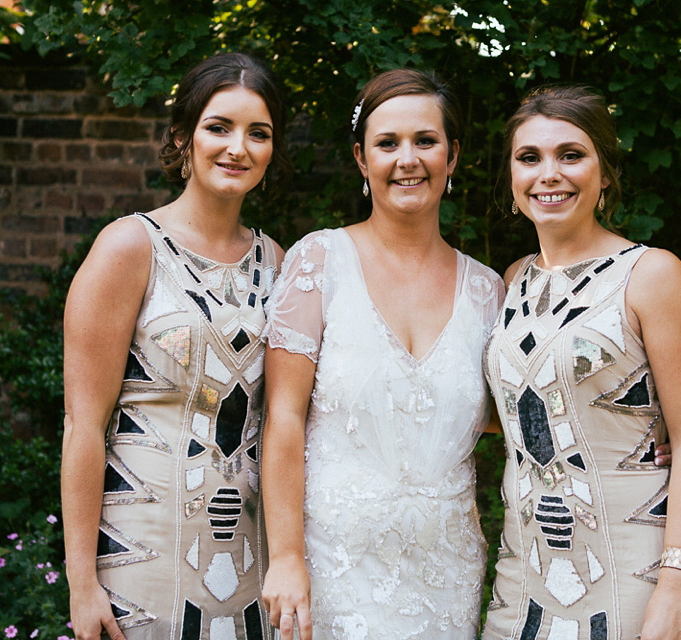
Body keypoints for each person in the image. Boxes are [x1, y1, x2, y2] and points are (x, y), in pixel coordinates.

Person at [259, 69, 504, 640]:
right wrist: (287, 555)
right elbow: (284, 419)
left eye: (425, 141)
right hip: (330, 573)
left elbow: (513, 413)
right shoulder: (319, 262)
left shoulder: (487, 292)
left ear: (454, 155)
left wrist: (637, 432)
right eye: (387, 144)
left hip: (446, 574)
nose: (408, 159)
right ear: (361, 160)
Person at [61, 52, 292, 640]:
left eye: (258, 133)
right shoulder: (129, 248)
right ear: (183, 137)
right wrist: (81, 583)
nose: (238, 147)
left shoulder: (279, 263)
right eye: (219, 127)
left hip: (246, 552)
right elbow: (83, 426)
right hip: (142, 549)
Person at [482, 86, 681, 640]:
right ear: (513, 180)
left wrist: (679, 583)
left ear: (605, 173)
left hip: (634, 571)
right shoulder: (513, 280)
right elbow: (510, 414)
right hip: (522, 579)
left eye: (571, 154)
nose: (549, 173)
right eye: (529, 158)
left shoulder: (652, 275)